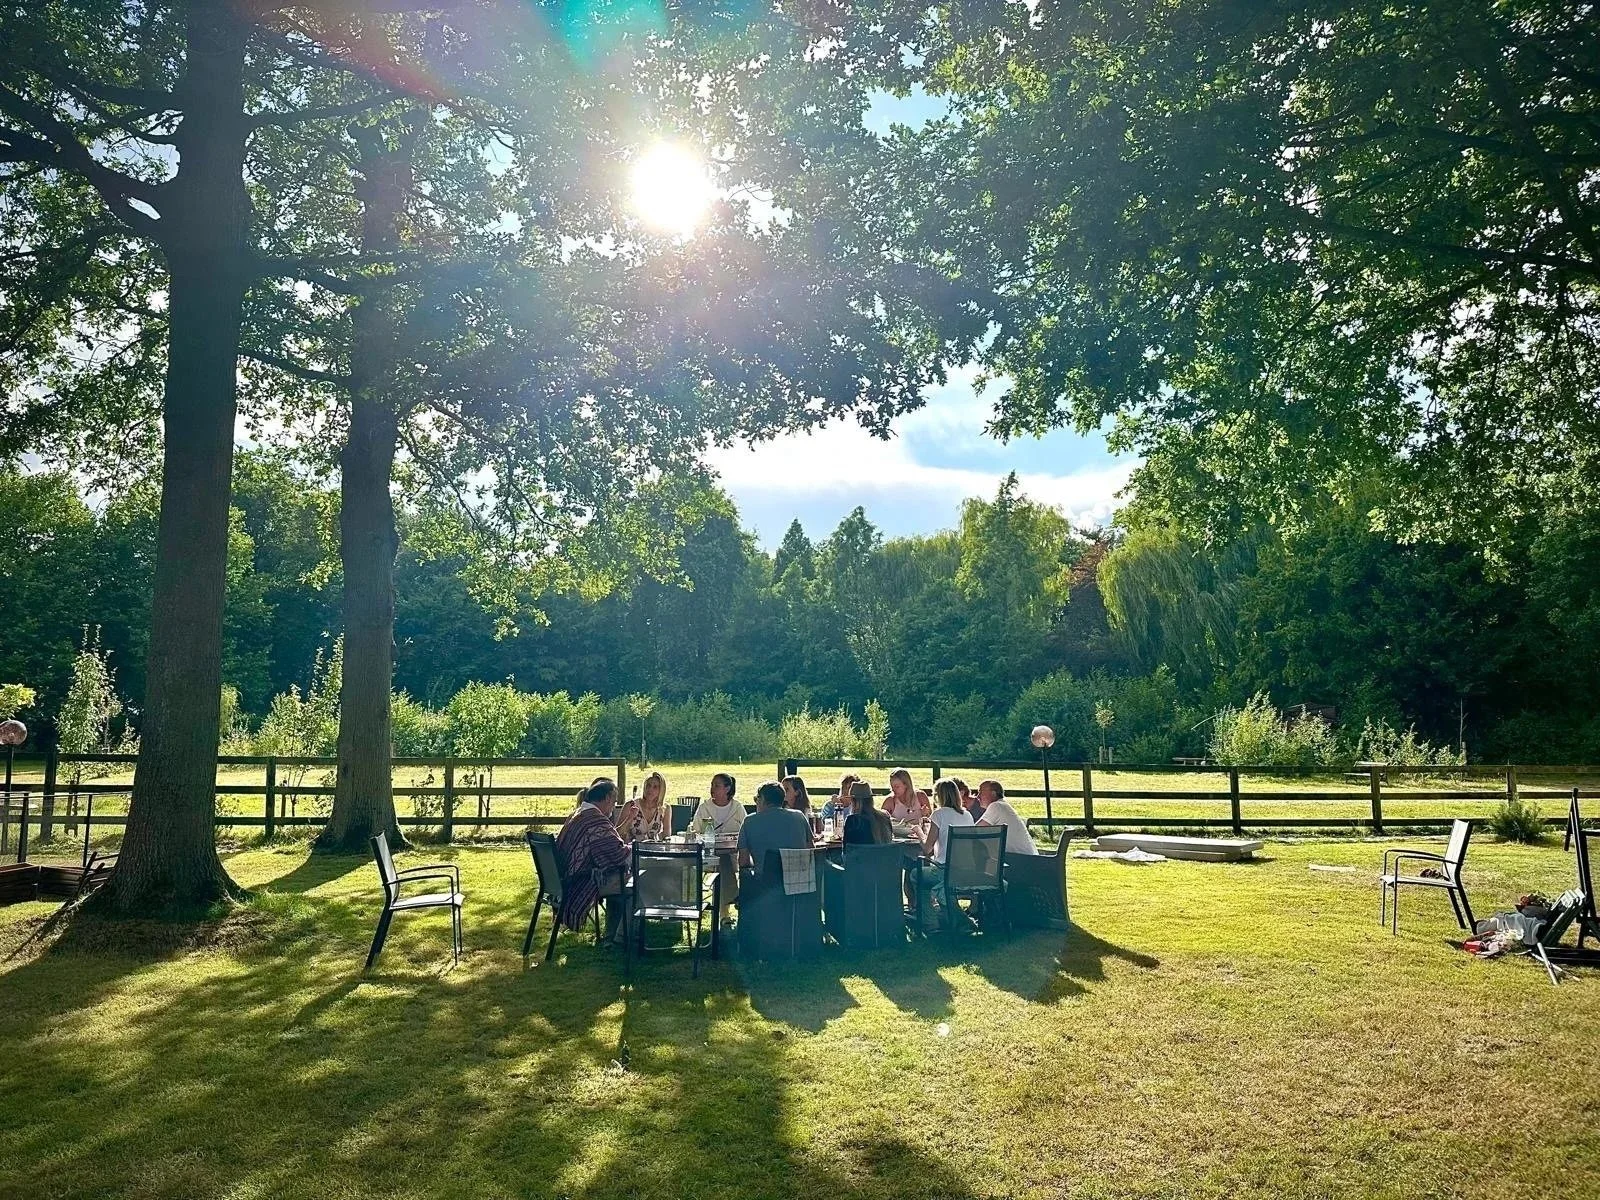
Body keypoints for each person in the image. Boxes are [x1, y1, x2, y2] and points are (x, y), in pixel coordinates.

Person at [555, 779, 635, 939]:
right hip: (581, 883)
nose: (613, 807)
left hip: (563, 881)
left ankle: (611, 934)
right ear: (607, 798)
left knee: (621, 880)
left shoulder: (577, 814)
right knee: (636, 886)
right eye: (614, 802)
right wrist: (637, 847)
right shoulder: (595, 819)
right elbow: (617, 855)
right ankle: (622, 938)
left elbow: (605, 849)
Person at [915, 778, 974, 906]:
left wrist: (918, 831)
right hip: (966, 870)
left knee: (915, 874)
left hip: (944, 870)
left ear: (939, 796)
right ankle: (946, 915)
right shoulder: (967, 815)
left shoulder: (939, 814)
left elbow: (927, 849)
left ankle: (929, 920)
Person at [738, 780, 814, 871]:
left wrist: (757, 864)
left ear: (762, 799)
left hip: (765, 882)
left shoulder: (749, 821)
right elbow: (811, 850)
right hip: (800, 880)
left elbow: (743, 861)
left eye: (756, 799)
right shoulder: (799, 816)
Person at [976, 778, 1036, 854]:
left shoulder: (996, 806)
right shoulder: (1003, 805)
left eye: (980, 792)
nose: (978, 796)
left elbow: (974, 831)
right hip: (1026, 857)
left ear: (993, 793)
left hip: (1021, 859)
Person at [616, 770, 669, 841]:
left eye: (655, 787)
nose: (650, 789)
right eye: (648, 785)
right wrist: (630, 818)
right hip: (632, 849)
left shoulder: (665, 808)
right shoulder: (631, 805)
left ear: (661, 790)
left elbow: (667, 836)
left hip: (654, 849)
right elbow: (616, 834)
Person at [691, 772, 746, 840]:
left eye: (716, 786)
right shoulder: (704, 808)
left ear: (727, 789)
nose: (712, 789)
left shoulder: (737, 808)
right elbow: (695, 831)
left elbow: (747, 831)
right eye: (712, 785)